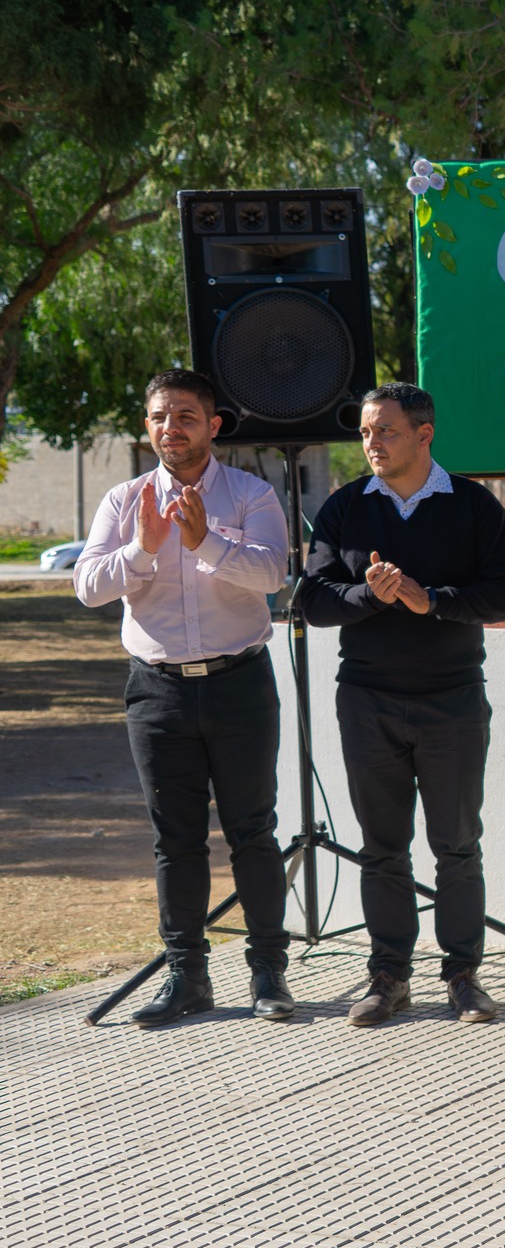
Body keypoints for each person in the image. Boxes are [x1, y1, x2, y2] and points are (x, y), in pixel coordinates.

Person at [300, 384, 505, 1026]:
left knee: (457, 844)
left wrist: (435, 601)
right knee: (382, 846)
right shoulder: (344, 506)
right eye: (366, 432)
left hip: (452, 702)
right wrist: (369, 596)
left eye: (386, 431)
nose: (371, 443)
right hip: (367, 702)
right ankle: (389, 977)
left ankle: (463, 976)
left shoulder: (473, 505)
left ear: (425, 434)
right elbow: (313, 602)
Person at [74, 369, 294, 1027]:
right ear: (148, 426)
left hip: (239, 684)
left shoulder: (252, 494)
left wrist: (205, 542)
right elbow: (88, 586)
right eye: (160, 417)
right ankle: (187, 976)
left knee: (253, 831)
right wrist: (142, 549)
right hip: (158, 692)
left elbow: (272, 573)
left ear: (213, 425)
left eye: (186, 416)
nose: (171, 427)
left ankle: (268, 971)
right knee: (176, 839)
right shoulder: (124, 501)